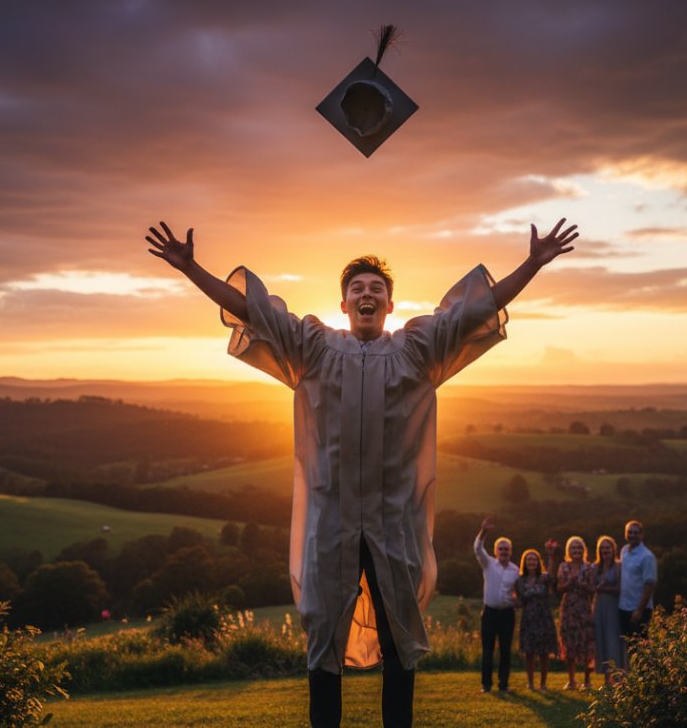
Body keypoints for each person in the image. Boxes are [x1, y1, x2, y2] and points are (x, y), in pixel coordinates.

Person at [145, 219, 579, 727]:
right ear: (344, 304)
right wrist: (190, 267)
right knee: (323, 637)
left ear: (390, 305)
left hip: (395, 526)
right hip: (330, 526)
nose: (366, 294)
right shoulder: (311, 348)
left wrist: (531, 263)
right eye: (357, 289)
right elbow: (252, 309)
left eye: (377, 288)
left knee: (400, 637)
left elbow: (473, 310)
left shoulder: (418, 350)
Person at [474, 516, 519, 693]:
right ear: (496, 551)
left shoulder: (516, 570)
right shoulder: (488, 564)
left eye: (507, 549)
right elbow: (477, 548)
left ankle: (504, 685)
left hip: (507, 614)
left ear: (511, 551)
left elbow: (519, 590)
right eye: (501, 549)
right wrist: (484, 531)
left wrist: (517, 599)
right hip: (490, 613)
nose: (504, 551)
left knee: (506, 651)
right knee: (487, 651)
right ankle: (486, 685)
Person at [515, 542, 561, 690]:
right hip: (528, 618)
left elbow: (553, 576)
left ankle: (543, 683)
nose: (531, 562)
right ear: (525, 562)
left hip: (544, 618)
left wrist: (551, 556)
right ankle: (530, 683)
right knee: (529, 652)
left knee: (544, 652)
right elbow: (520, 600)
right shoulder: (520, 581)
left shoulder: (544, 578)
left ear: (538, 562)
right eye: (529, 560)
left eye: (534, 559)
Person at [556, 535, 596, 689]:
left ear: (583, 550)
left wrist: (580, 583)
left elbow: (593, 589)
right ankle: (572, 681)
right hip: (568, 609)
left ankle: (587, 681)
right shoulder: (563, 567)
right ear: (569, 551)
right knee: (569, 642)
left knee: (586, 641)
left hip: (584, 608)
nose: (576, 550)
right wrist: (569, 583)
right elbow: (559, 589)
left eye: (579, 547)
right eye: (573, 548)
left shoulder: (589, 567)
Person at [618, 520, 657, 668]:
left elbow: (650, 584)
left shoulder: (647, 557)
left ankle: (645, 679)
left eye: (635, 532)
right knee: (628, 646)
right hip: (623, 607)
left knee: (641, 647)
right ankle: (630, 681)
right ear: (625, 534)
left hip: (639, 610)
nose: (632, 535)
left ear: (641, 535)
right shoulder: (624, 551)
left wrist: (639, 610)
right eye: (629, 532)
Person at [592, 535, 626, 680]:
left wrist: (605, 588)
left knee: (613, 640)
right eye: (602, 548)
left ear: (613, 549)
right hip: (600, 606)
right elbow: (591, 587)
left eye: (607, 548)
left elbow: (621, 588)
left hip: (614, 606)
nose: (605, 551)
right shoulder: (595, 567)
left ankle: (618, 678)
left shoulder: (619, 566)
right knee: (602, 640)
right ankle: (607, 680)